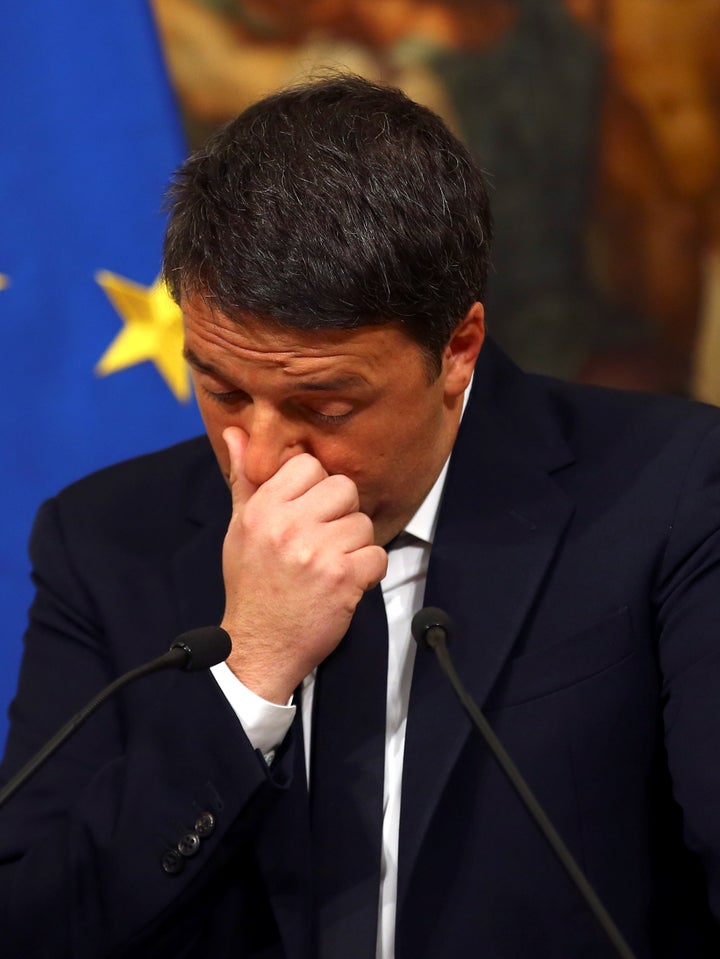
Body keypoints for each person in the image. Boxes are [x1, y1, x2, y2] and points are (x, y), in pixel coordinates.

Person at [2, 74, 720, 959]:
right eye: (221, 389)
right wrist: (251, 672)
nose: (257, 458)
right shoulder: (105, 539)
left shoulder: (672, 490)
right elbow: (33, 923)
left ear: (457, 349)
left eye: (325, 406)